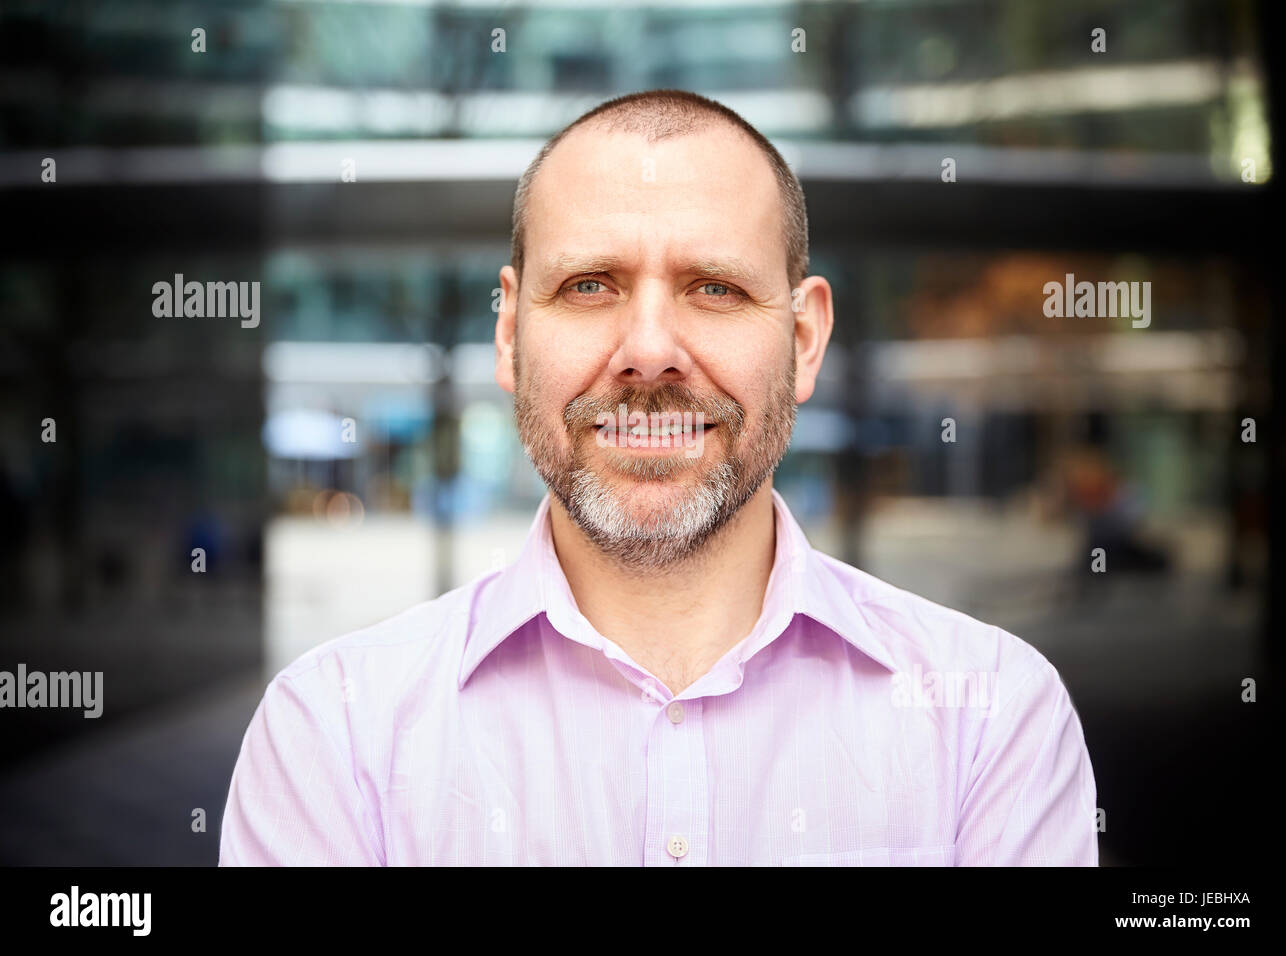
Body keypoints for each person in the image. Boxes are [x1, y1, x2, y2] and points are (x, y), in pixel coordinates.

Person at [219, 89, 1097, 866]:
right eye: (591, 285)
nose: (647, 352)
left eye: (713, 288)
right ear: (510, 337)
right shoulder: (332, 736)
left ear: (802, 342)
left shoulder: (991, 719)